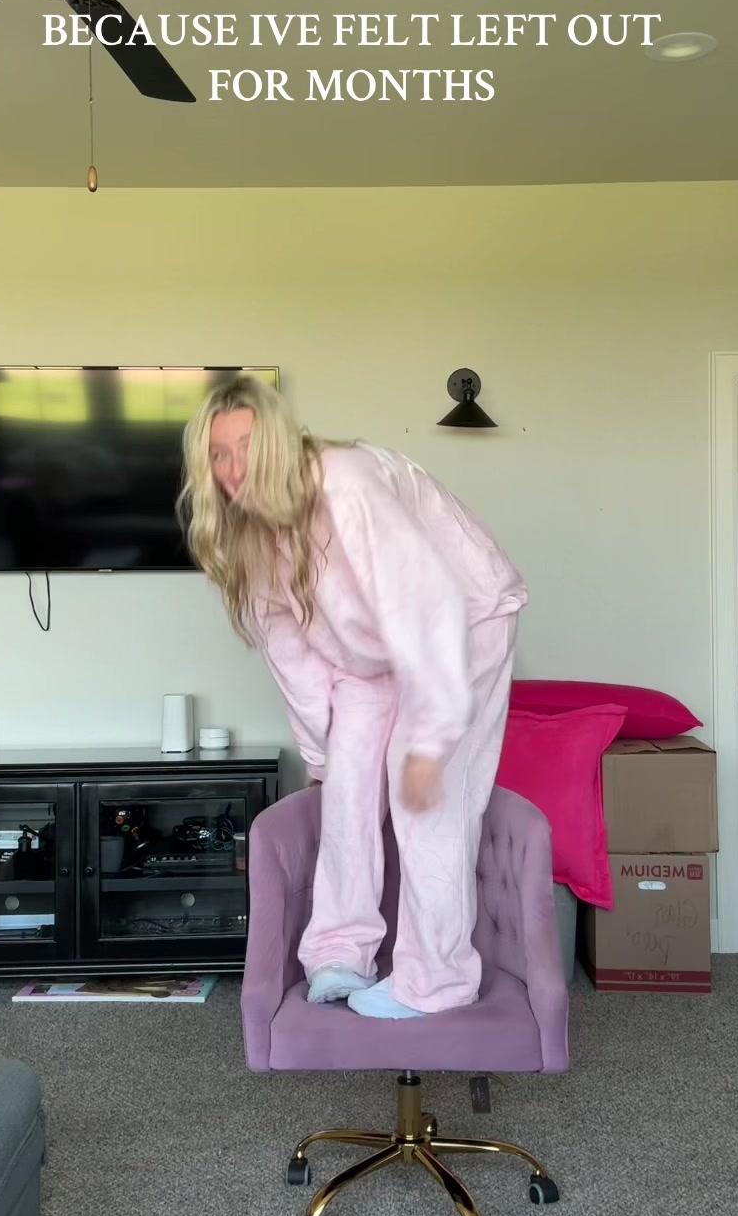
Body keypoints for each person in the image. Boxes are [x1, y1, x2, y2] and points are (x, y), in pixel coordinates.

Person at [178, 375, 527, 1019]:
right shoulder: (246, 534)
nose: (233, 469)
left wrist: (430, 745)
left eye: (246, 447)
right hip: (366, 649)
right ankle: (340, 952)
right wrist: (321, 754)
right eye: (218, 455)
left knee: (425, 800)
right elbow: (292, 655)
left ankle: (436, 982)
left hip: (461, 621)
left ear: (280, 442)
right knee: (344, 792)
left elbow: (428, 608)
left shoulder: (346, 483)